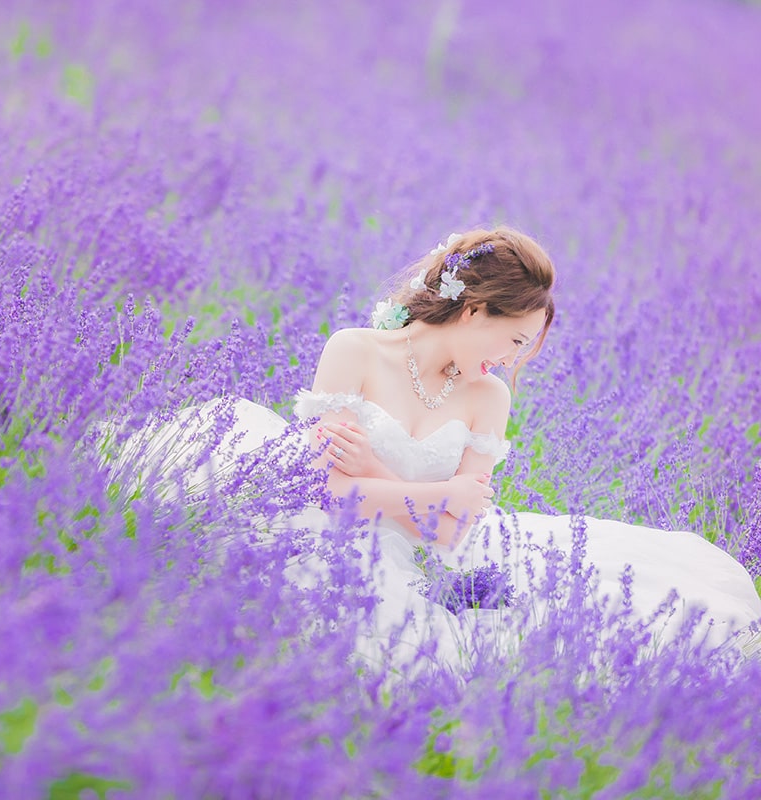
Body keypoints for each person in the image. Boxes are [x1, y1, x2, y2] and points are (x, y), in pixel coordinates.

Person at [111, 227, 761, 667]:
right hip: (325, 532)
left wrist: (377, 474)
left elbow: (453, 535)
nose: (514, 360)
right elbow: (322, 490)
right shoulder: (356, 350)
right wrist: (437, 493)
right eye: (513, 341)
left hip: (427, 553)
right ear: (475, 311)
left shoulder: (488, 398)